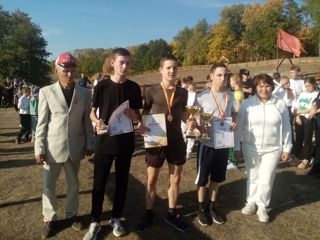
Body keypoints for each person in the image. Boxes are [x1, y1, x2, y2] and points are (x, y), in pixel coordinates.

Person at [83, 48, 142, 240]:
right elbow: (92, 112)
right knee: (99, 183)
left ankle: (116, 218)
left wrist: (135, 116)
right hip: (105, 142)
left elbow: (138, 116)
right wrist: (95, 122)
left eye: (127, 63)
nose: (124, 66)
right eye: (121, 62)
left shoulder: (134, 87)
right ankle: (94, 221)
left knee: (122, 183)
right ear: (112, 63)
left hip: (125, 142)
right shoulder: (101, 86)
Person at [34, 52, 94, 238]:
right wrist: (39, 148)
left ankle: (71, 214)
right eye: (65, 70)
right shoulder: (46, 92)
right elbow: (41, 123)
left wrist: (90, 142)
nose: (69, 74)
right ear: (56, 70)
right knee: (49, 186)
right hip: (52, 149)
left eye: (71, 70)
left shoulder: (84, 92)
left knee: (74, 184)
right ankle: (49, 218)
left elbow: (87, 120)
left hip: (75, 146)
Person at [136, 55, 189, 232]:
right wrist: (141, 124)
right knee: (152, 179)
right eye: (168, 68)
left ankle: (171, 213)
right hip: (156, 139)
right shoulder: (151, 90)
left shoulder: (183, 92)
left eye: (174, 67)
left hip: (176, 141)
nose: (172, 71)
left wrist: (191, 120)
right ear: (161, 70)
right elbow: (145, 111)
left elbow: (182, 113)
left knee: (175, 178)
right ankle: (148, 213)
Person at [234, 74, 292, 223]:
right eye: (260, 86)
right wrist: (236, 147)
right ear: (255, 88)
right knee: (253, 176)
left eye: (267, 86)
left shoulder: (280, 104)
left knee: (266, 178)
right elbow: (239, 127)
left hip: (273, 148)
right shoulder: (247, 104)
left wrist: (287, 147)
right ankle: (251, 202)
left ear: (272, 87)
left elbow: (286, 127)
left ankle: (262, 207)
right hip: (250, 146)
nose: (264, 89)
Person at [191, 62, 236, 226]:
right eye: (219, 75)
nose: (222, 78)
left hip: (223, 144)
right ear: (211, 76)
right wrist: (198, 125)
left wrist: (234, 123)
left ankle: (212, 206)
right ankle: (201, 208)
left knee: (217, 178)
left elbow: (232, 114)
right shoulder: (201, 96)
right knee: (202, 179)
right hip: (207, 144)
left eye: (225, 75)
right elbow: (192, 120)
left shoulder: (229, 96)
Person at [292, 77, 318, 169]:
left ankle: (306, 159)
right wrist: (297, 116)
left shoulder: (316, 94)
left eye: (309, 86)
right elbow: (295, 106)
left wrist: (301, 111)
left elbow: (313, 109)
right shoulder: (303, 94)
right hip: (299, 118)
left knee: (307, 139)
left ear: (314, 84)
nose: (307, 88)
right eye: (306, 86)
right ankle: (297, 156)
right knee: (298, 138)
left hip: (309, 118)